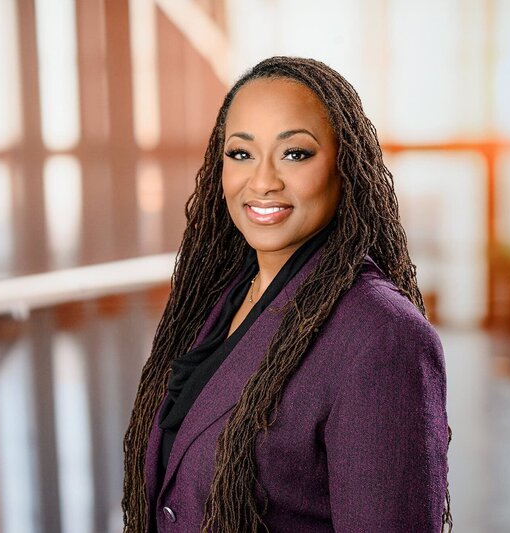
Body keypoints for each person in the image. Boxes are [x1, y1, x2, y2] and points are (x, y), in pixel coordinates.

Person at [122, 56, 451, 532]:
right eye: (241, 154)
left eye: (295, 153)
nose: (262, 182)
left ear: (346, 165)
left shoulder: (383, 335)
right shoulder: (220, 302)